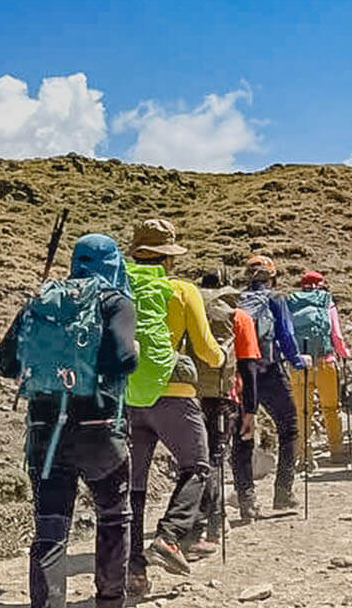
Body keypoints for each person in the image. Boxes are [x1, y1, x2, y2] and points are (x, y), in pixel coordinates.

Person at [0, 234, 140, 608]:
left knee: (50, 535)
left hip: (46, 436)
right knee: (115, 516)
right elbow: (126, 358)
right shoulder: (116, 301)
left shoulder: (43, 298)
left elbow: (3, 363)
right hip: (100, 433)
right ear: (114, 263)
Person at [123, 220, 222, 588]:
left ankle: (134, 570)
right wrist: (222, 359)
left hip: (129, 397)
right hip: (175, 395)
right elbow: (207, 349)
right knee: (196, 466)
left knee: (134, 486)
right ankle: (169, 536)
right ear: (169, 257)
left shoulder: (120, 289)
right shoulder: (182, 291)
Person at [186, 272, 258, 556]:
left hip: (189, 392)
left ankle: (197, 522)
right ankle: (214, 523)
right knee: (215, 457)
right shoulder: (238, 316)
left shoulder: (190, 308)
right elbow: (249, 365)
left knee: (196, 457)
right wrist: (250, 409)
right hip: (223, 394)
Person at [235, 255, 310, 520]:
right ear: (273, 278)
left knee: (242, 435)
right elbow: (286, 336)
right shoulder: (276, 299)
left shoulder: (236, 301)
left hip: (242, 373)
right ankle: (283, 493)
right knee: (288, 428)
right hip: (269, 370)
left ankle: (247, 501)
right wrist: (298, 362)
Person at [285, 270, 352, 466]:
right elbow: (336, 335)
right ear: (321, 285)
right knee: (330, 408)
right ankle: (336, 451)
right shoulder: (327, 303)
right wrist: (345, 353)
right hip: (325, 361)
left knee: (302, 410)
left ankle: (303, 455)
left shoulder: (291, 303)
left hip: (299, 363)